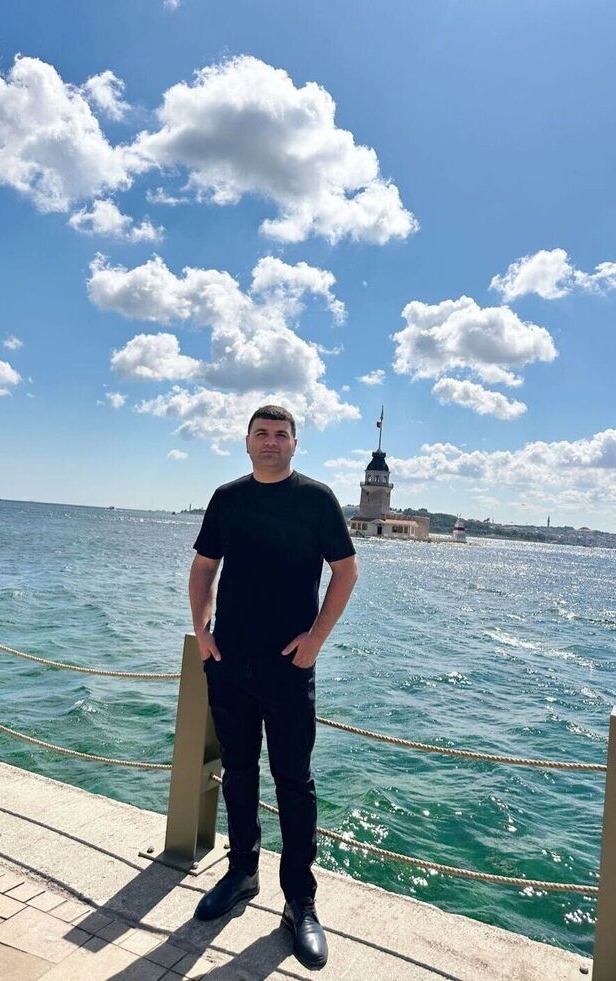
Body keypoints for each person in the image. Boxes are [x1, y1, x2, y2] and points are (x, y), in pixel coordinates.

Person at [189, 404, 359, 970]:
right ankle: (242, 873)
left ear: (294, 444)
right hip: (229, 661)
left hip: (289, 666)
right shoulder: (227, 498)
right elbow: (204, 566)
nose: (270, 441)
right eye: (261, 433)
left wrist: (316, 639)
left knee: (293, 782)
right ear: (246, 442)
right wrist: (201, 629)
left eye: (280, 434)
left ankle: (299, 903)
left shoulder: (316, 499)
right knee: (238, 772)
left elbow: (345, 571)